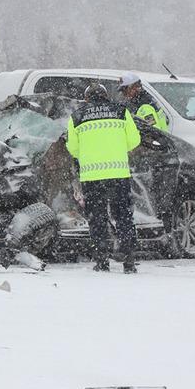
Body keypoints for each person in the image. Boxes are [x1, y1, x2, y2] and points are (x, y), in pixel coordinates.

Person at [66, 83, 141, 273]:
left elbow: (72, 148)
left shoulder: (77, 117)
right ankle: (129, 261)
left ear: (87, 99)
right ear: (106, 96)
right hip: (118, 174)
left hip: (92, 176)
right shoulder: (121, 112)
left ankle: (101, 260)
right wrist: (115, 148)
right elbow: (135, 140)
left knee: (97, 218)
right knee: (123, 216)